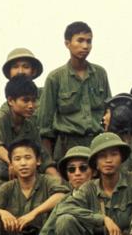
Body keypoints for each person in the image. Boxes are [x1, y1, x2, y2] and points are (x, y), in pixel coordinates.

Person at [0, 76, 56, 198]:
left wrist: (59, 182)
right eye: (25, 100)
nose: (31, 105)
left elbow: (43, 158)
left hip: (13, 173)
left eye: (33, 101)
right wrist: (13, 163)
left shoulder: (29, 126)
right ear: (10, 101)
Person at [39, 21, 111, 161]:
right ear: (67, 43)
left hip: (97, 144)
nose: (85, 46)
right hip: (67, 146)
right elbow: (45, 127)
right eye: (80, 40)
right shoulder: (55, 78)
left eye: (89, 41)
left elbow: (109, 108)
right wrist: (49, 163)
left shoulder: (100, 74)